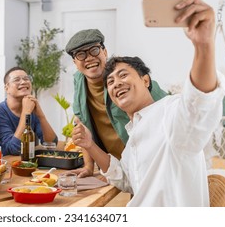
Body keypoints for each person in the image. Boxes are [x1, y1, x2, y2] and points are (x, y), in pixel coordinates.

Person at [71, 0, 225, 206]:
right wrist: (89, 144)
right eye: (110, 82)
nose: (116, 83)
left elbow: (197, 107)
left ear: (146, 81)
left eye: (123, 75)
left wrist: (204, 44)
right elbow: (125, 177)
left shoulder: (168, 114)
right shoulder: (134, 131)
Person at [65, 29, 167, 177]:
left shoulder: (128, 78)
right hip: (115, 166)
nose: (88, 58)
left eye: (94, 50)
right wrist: (88, 166)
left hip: (147, 161)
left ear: (104, 52)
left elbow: (164, 107)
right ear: (75, 62)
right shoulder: (79, 80)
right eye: (81, 54)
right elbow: (82, 124)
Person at [0, 67, 58, 156]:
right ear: (6, 88)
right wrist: (26, 112)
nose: (23, 82)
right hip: (6, 166)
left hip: (30, 164)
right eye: (17, 79)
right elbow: (14, 149)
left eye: (26, 78)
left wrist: (41, 115)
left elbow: (51, 143)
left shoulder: (31, 108)